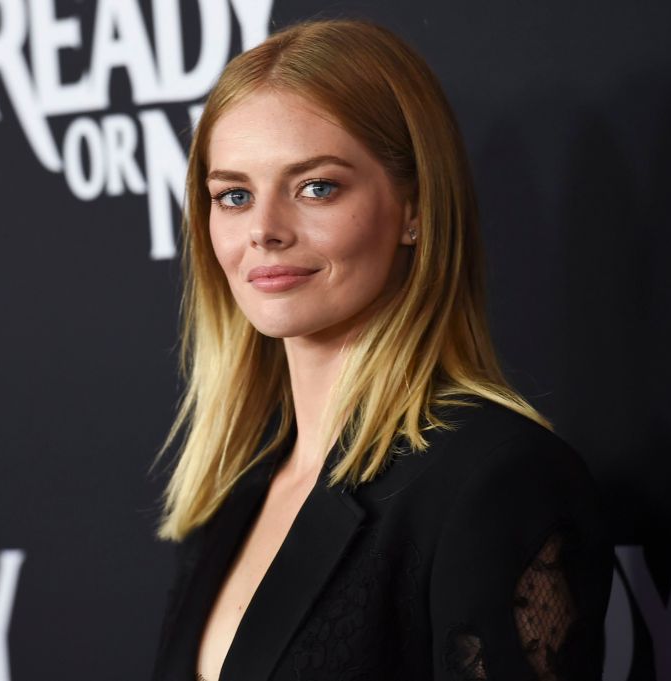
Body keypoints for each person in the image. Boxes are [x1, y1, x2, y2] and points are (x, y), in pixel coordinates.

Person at [150, 18, 613, 681]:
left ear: (414, 209)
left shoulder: (499, 480)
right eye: (235, 195)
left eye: (316, 187)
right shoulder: (231, 492)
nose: (263, 229)